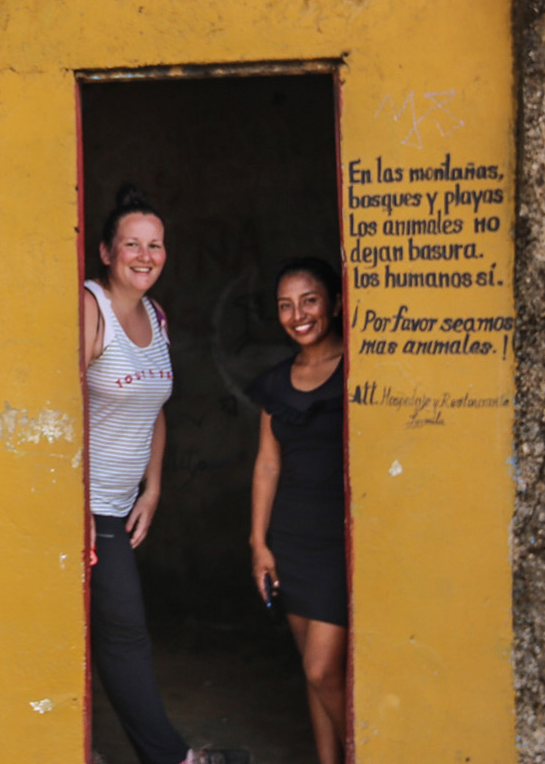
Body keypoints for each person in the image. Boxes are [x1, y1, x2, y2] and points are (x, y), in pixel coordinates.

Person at [81, 185, 222, 764]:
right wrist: (73, 511)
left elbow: (154, 407)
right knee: (123, 636)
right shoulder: (91, 308)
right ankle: (173, 760)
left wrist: (154, 486)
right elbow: (59, 407)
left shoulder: (155, 315)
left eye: (155, 244)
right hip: (85, 508)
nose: (145, 255)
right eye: (132, 244)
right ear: (106, 252)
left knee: (113, 634)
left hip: (120, 502)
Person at [247, 258, 349, 764]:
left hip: (339, 542)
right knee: (312, 673)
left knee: (321, 670)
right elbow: (267, 465)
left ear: (334, 301)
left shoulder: (358, 369)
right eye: (286, 305)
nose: (298, 314)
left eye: (309, 300)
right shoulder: (275, 383)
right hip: (290, 539)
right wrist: (259, 543)